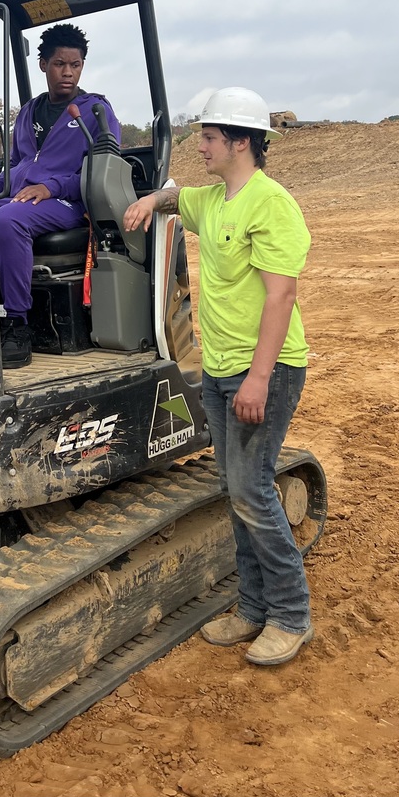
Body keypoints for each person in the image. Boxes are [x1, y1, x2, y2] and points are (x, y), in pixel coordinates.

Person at [122, 86, 313, 666]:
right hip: (221, 371)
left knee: (253, 490)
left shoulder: (270, 202)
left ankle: (290, 615)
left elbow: (280, 298)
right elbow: (179, 199)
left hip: (266, 372)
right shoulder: (214, 200)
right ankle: (253, 609)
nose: (197, 145)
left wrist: (257, 379)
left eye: (207, 137)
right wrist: (149, 201)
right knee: (234, 490)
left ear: (240, 142)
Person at [0, 23, 119, 369]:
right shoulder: (29, 112)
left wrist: (51, 188)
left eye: (75, 65)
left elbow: (102, 174)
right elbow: (17, 164)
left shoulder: (95, 112)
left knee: (9, 218)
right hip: (20, 199)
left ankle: (18, 323)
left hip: (67, 204)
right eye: (60, 64)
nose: (68, 73)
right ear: (43, 64)